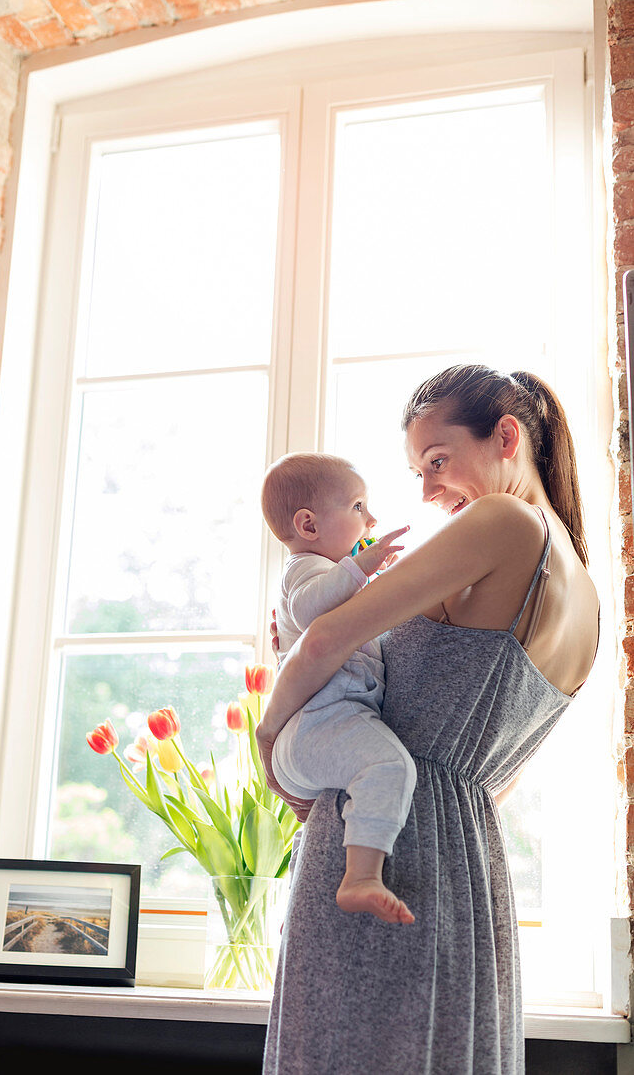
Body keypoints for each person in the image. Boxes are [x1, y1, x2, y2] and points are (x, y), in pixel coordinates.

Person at [256, 365, 600, 1075]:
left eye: (436, 462)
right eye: (416, 471)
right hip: (471, 866)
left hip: (383, 851)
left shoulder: (502, 520)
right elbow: (496, 780)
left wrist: (267, 742)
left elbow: (324, 640)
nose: (426, 491)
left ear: (506, 435)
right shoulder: (589, 601)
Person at [261, 452, 416, 925]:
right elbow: (311, 611)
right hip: (317, 724)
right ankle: (361, 878)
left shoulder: (334, 578)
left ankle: (350, 867)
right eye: (357, 507)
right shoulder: (303, 568)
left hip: (329, 722)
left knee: (376, 774)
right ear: (308, 525)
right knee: (390, 767)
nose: (370, 519)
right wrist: (360, 566)